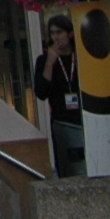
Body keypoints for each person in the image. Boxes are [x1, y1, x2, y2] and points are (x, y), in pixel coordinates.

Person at [31, 17, 83, 177]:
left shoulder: (80, 57)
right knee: (69, 168)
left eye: (59, 32)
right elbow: (41, 92)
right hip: (62, 120)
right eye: (52, 33)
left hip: (84, 118)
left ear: (70, 34)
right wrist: (49, 64)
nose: (56, 37)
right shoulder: (44, 60)